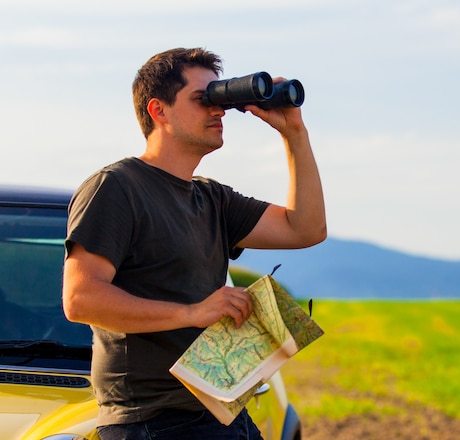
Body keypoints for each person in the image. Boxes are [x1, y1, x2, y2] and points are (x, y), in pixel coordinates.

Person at [62, 47, 326, 440]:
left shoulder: (212, 199)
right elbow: (80, 299)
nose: (218, 111)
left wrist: (294, 133)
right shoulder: (116, 187)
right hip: (155, 422)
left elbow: (305, 229)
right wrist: (193, 312)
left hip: (221, 411)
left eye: (220, 99)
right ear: (159, 110)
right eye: (203, 100)